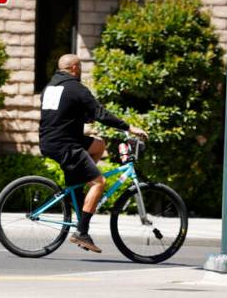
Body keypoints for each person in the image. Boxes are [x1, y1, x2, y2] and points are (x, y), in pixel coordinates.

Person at [39, 53, 147, 253]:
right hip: (66, 145)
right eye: (80, 68)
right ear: (74, 69)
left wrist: (84, 117)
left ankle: (82, 184)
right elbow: (100, 113)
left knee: (98, 145)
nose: (80, 72)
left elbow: (63, 112)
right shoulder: (76, 87)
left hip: (51, 141)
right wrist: (129, 127)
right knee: (100, 182)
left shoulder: (50, 87)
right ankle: (82, 232)